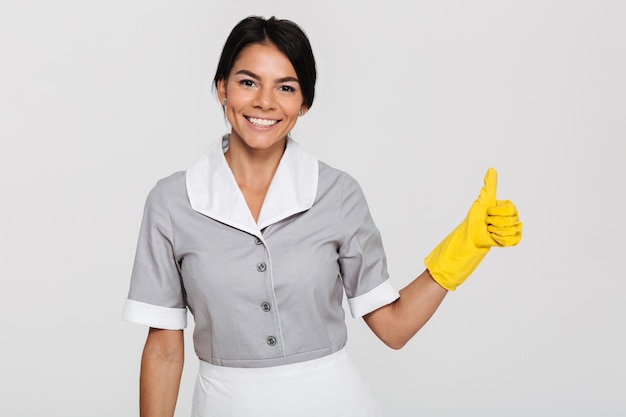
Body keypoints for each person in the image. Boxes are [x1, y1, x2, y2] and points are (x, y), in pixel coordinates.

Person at [122, 15, 522, 417]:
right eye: (248, 82)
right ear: (222, 87)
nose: (265, 101)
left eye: (286, 87)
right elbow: (163, 349)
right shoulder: (173, 202)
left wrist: (463, 249)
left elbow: (393, 328)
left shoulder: (338, 194)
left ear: (304, 103)